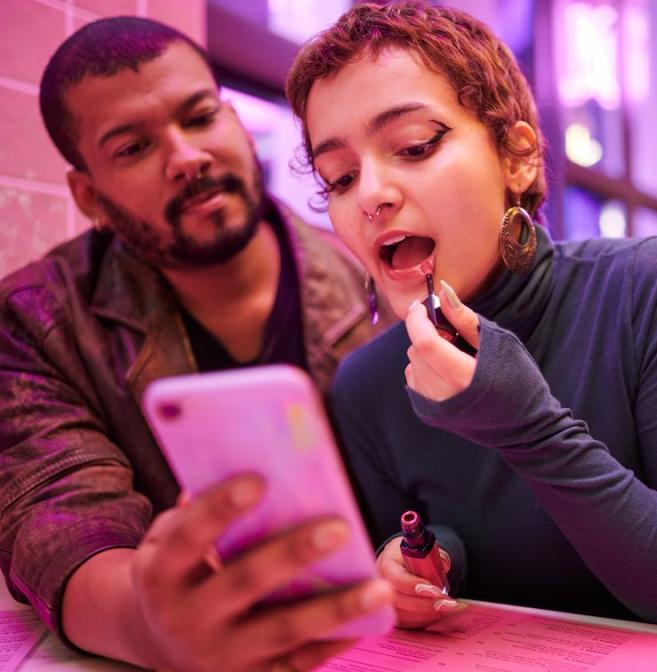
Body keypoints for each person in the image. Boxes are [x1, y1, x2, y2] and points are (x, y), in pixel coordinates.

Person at [285, 1, 657, 642]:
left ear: (518, 158)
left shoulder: (647, 289)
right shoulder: (366, 387)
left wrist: (526, 427)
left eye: (414, 146)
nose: (371, 194)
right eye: (339, 177)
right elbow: (433, 539)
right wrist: (426, 566)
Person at [0, 16, 394, 672]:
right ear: (89, 196)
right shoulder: (35, 321)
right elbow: (60, 521)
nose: (187, 157)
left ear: (239, 124)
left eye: (200, 116)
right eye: (133, 148)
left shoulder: (374, 274)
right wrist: (148, 626)